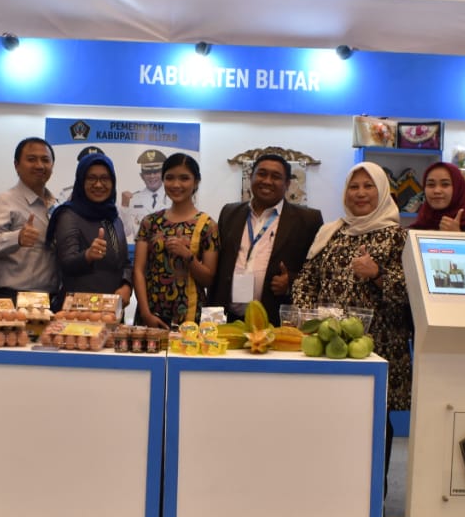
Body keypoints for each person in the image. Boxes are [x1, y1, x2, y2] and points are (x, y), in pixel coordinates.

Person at [292, 162, 414, 413]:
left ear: (382, 192)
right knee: (328, 412)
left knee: (374, 418)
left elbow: (411, 292)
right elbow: (306, 280)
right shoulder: (331, 232)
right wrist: (308, 319)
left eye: (369, 186)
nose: (360, 193)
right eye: (354, 187)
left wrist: (377, 274)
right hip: (327, 343)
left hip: (378, 346)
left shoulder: (399, 237)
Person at [209, 153, 323, 325]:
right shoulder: (229, 212)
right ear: (251, 177)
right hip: (226, 318)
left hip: (274, 321)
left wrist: (291, 281)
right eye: (262, 174)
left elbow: (319, 271)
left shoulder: (308, 220)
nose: (267, 181)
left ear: (287, 184)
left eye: (276, 177)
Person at [133, 153, 220, 328]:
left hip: (189, 317)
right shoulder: (150, 222)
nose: (176, 184)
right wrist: (145, 313)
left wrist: (187, 256)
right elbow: (138, 271)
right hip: (151, 313)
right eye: (170, 178)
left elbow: (208, 279)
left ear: (196, 182)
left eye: (184, 178)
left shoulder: (207, 225)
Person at [0, 137, 61, 305]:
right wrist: (17, 238)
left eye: (45, 160)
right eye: (31, 159)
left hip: (49, 297)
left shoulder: (57, 205)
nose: (39, 165)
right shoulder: (4, 201)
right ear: (17, 165)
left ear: (52, 166)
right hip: (12, 297)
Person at [47, 152, 133, 307]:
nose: (98, 185)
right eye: (91, 178)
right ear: (81, 181)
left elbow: (124, 262)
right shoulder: (69, 215)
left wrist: (126, 285)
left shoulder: (114, 218)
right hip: (77, 311)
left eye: (105, 178)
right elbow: (66, 263)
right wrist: (87, 255)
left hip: (111, 309)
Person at [407, 162, 465, 232]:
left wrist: (456, 236)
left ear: (458, 189)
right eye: (431, 184)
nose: (437, 191)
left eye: (445, 184)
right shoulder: (415, 230)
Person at [121, 148, 167, 244]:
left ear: (163, 174)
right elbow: (125, 232)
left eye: (156, 172)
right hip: (140, 250)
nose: (152, 176)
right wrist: (124, 207)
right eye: (148, 173)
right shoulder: (133, 199)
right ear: (142, 176)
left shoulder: (173, 198)